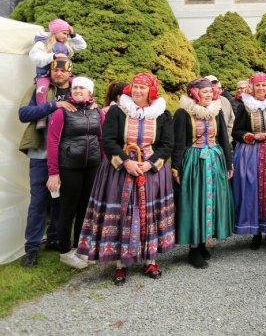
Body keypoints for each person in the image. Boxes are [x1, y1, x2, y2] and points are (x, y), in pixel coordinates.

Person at [77, 73, 175, 286]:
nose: (138, 91)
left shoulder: (163, 114)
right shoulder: (118, 111)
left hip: (151, 172)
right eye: (136, 87)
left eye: (143, 88)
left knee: (149, 214)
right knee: (123, 214)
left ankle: (151, 259)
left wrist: (149, 164)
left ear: (152, 91)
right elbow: (108, 140)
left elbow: (167, 144)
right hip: (120, 170)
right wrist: (126, 162)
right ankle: (121, 263)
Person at [17, 59, 74, 267]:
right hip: (41, 151)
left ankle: (54, 238)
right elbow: (23, 114)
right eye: (54, 69)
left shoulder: (78, 89)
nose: (58, 73)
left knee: (61, 200)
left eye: (62, 69)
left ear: (70, 72)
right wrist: (53, 104)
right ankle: (31, 249)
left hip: (67, 154)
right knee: (39, 200)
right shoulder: (39, 87)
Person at [172, 78, 234, 269]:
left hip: (215, 160)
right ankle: (193, 249)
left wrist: (229, 164)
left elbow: (223, 138)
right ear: (194, 93)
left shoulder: (216, 110)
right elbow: (178, 142)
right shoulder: (183, 113)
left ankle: (203, 242)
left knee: (211, 201)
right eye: (204, 92)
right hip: (193, 162)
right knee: (194, 203)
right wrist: (176, 167)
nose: (208, 94)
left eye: (210, 91)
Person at [46, 76, 104, 269]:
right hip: (69, 166)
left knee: (85, 208)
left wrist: (103, 164)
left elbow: (101, 139)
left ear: (90, 92)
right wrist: (53, 172)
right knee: (67, 209)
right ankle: (64, 251)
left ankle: (81, 248)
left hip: (92, 166)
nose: (78, 90)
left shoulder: (97, 112)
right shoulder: (62, 112)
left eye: (82, 88)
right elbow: (53, 142)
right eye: (75, 87)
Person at [232, 72, 266, 249]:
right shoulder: (245, 107)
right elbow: (236, 132)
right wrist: (253, 136)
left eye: (264, 86)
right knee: (251, 190)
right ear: (252, 88)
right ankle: (254, 233)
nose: (261, 89)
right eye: (257, 86)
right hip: (250, 155)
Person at [29, 19, 87, 129]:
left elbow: (82, 46)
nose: (66, 36)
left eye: (67, 34)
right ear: (55, 31)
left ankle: (84, 110)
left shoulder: (66, 43)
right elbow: (35, 58)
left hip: (65, 74)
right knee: (41, 89)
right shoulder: (42, 43)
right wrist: (53, 56)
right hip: (45, 76)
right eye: (64, 33)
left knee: (80, 85)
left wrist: (73, 34)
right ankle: (42, 118)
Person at [205, 75, 235, 147]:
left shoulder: (224, 101)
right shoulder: (199, 102)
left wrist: (227, 140)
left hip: (222, 144)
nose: (213, 87)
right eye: (210, 85)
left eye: (215, 85)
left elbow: (232, 122)